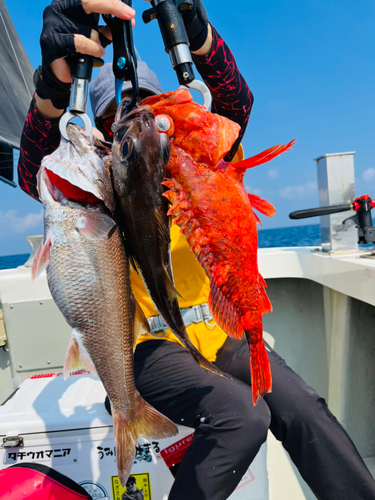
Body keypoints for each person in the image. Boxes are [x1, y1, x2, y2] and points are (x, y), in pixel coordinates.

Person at [17, 1, 375, 499]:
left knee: (305, 407)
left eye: (149, 106)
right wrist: (54, 90)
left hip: (212, 329)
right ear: (100, 132)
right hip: (144, 345)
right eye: (117, 118)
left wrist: (199, 34)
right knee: (242, 416)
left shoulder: (193, 159)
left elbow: (234, 104)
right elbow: (34, 160)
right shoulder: (91, 180)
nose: (138, 123)